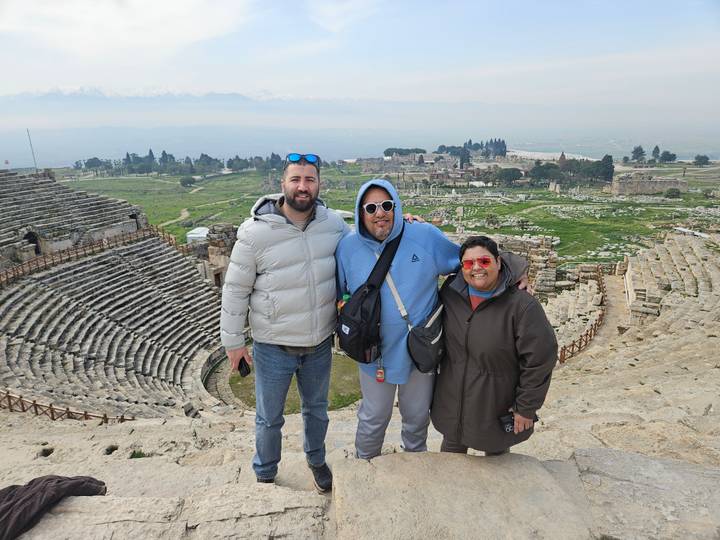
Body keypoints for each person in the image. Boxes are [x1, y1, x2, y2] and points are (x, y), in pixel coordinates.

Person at [336, 180, 528, 460]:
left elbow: (469, 261)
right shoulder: (347, 248)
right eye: (371, 207)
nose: (380, 213)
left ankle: (416, 468)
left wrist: (515, 270)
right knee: (373, 417)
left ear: (397, 207)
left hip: (419, 351)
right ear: (360, 212)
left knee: (416, 417)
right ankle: (364, 466)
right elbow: (341, 291)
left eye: (387, 205)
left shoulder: (423, 236)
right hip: (374, 353)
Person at [220, 153, 347, 491]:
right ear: (283, 185)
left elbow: (364, 245)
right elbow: (235, 290)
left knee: (317, 410)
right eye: (296, 179)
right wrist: (233, 343)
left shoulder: (333, 224)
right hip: (273, 346)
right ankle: (265, 472)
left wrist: (405, 225)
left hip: (319, 343)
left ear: (319, 184)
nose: (302, 187)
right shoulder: (254, 232)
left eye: (309, 180)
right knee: (269, 417)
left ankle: (317, 461)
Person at [431, 235, 557, 456]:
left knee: (498, 465)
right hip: (453, 405)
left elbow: (540, 359)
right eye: (469, 263)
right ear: (461, 268)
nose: (476, 268)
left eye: (485, 262)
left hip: (495, 405)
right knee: (449, 464)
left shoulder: (522, 306)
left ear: (499, 263)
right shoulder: (451, 292)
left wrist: (526, 408)